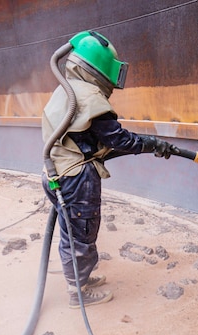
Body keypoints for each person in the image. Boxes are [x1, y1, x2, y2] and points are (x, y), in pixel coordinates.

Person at [41, 30, 175, 309]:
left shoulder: (67, 89)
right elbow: (119, 140)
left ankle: (80, 279)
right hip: (76, 179)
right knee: (82, 233)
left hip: (57, 175)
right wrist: (152, 144)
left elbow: (86, 139)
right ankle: (78, 293)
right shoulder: (90, 98)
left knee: (72, 230)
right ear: (100, 69)